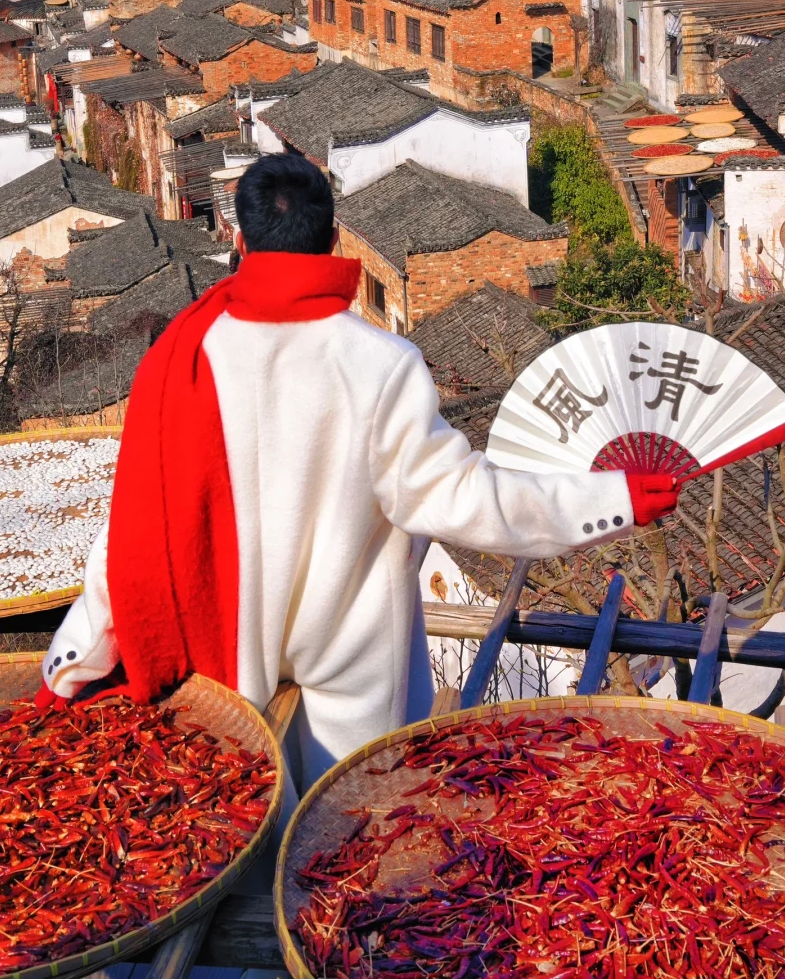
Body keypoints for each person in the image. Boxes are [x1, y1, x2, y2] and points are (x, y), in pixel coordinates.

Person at [40, 154, 680, 789]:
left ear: (239, 241)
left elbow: (132, 532)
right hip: (351, 657)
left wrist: (75, 658)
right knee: (344, 841)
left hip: (225, 661)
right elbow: (468, 498)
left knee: (248, 834)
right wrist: (612, 498)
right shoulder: (381, 362)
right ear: (335, 239)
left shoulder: (183, 355)